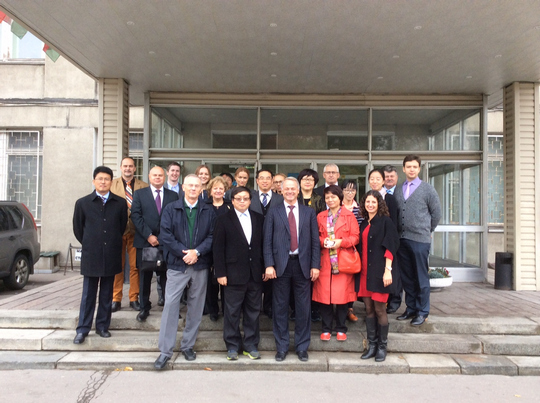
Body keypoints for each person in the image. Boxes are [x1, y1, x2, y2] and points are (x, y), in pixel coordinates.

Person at [154, 175, 216, 369]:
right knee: (171, 306)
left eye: (197, 186)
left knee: (196, 307)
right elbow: (166, 235)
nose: (193, 188)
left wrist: (196, 252)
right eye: (190, 185)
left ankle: (188, 346)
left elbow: (213, 235)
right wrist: (185, 253)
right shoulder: (171, 209)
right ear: (183, 187)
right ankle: (165, 351)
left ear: (201, 188)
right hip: (177, 265)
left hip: (200, 264)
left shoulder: (208, 210)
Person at [263, 177, 320, 362]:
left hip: (302, 265)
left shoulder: (308, 212)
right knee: (280, 308)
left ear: (297, 190)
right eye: (286, 188)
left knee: (303, 308)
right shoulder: (274, 212)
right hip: (281, 266)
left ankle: (302, 347)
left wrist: (315, 265)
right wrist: (269, 264)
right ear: (281, 190)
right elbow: (267, 241)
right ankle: (282, 347)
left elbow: (314, 242)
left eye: (292, 189)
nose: (289, 191)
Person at [72, 166, 128, 344]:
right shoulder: (83, 203)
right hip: (92, 253)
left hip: (111, 253)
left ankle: (102, 326)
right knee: (88, 293)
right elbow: (78, 229)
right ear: (93, 181)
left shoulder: (119, 203)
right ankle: (83, 329)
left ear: (111, 182)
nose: (103, 182)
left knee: (106, 293)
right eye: (100, 179)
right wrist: (91, 242)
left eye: (107, 179)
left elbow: (121, 226)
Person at [213, 186, 264, 361]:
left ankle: (250, 345)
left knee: (253, 312)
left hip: (255, 274)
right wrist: (220, 273)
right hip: (232, 274)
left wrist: (265, 268)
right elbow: (218, 248)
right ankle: (232, 346)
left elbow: (262, 247)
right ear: (232, 201)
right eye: (238, 198)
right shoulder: (223, 219)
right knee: (232, 312)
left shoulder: (259, 218)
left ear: (250, 201)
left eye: (245, 198)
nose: (242, 201)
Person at [394, 155, 441, 326]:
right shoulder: (399, 189)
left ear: (419, 169)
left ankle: (423, 311)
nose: (412, 169)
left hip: (420, 239)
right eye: (408, 166)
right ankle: (411, 308)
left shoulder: (427, 189)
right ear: (404, 168)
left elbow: (436, 214)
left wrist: (429, 230)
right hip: (402, 239)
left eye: (415, 166)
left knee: (421, 276)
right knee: (407, 277)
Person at [130, 166, 178, 322]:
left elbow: (175, 218)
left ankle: (169, 308)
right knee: (145, 277)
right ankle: (144, 307)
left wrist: (163, 237)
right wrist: (149, 235)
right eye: (154, 175)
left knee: (167, 277)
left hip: (166, 243)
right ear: (149, 177)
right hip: (145, 242)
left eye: (160, 175)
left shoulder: (173, 195)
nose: (157, 177)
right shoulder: (139, 194)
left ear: (164, 177)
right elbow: (135, 216)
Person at [312, 185, 360, 342]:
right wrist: (322, 241)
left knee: (342, 298)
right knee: (325, 298)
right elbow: (314, 237)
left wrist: (341, 242)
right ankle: (326, 328)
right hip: (324, 260)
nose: (330, 200)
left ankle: (341, 328)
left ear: (340, 198)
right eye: (327, 197)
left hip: (342, 260)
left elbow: (355, 237)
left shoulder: (349, 216)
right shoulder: (320, 216)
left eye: (333, 197)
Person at [358, 190, 400, 362]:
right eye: (368, 202)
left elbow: (391, 246)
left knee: (380, 309)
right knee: (368, 309)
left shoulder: (386, 222)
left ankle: (382, 347)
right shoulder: (363, 223)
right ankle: (372, 345)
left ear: (379, 204)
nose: (370, 205)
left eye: (373, 202)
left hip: (381, 272)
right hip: (364, 273)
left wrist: (388, 270)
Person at [110, 157, 148, 313]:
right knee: (117, 267)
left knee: (135, 267)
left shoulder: (143, 186)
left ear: (135, 168)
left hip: (136, 232)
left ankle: (134, 298)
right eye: (125, 166)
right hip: (117, 231)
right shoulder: (112, 185)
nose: (127, 169)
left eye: (130, 166)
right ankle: (116, 299)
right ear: (120, 168)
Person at [250, 169, 284, 319]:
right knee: (255, 276)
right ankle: (255, 307)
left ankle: (269, 307)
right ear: (257, 181)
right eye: (261, 178)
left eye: (268, 178)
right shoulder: (249, 197)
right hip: (254, 244)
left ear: (272, 181)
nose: (264, 181)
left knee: (272, 277)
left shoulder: (280, 199)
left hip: (275, 243)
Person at [368, 168, 401, 313]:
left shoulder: (389, 199)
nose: (374, 181)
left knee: (390, 273)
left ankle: (393, 301)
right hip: (373, 244)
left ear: (383, 181)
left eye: (377, 178)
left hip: (387, 242)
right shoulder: (368, 198)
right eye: (372, 179)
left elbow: (394, 223)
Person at [205, 176, 232, 321]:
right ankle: (213, 310)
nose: (218, 191)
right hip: (208, 249)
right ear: (210, 190)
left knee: (226, 281)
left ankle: (226, 310)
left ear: (225, 190)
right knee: (211, 283)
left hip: (226, 249)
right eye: (215, 188)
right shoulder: (204, 205)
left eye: (221, 188)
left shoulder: (230, 205)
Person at [160, 161, 184, 306]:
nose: (174, 173)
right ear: (167, 172)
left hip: (180, 235)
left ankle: (181, 298)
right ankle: (162, 296)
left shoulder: (184, 189)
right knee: (162, 269)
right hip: (164, 233)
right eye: (172, 171)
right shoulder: (161, 189)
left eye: (177, 171)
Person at [340, 179, 362, 322]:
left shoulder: (360, 208)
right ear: (341, 190)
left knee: (352, 278)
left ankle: (349, 308)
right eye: (347, 190)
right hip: (337, 246)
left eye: (353, 190)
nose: (350, 193)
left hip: (355, 247)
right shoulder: (335, 206)